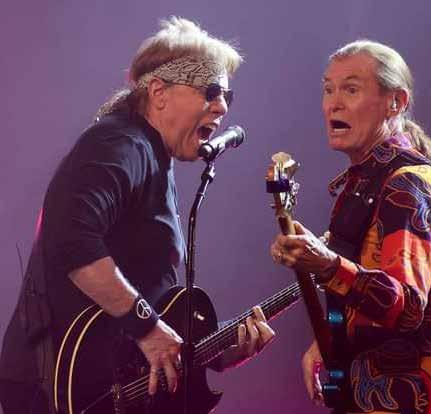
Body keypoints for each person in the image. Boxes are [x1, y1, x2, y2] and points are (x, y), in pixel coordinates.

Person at [0, 17, 274, 414]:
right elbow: (72, 240)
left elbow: (153, 311)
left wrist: (218, 352)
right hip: (58, 388)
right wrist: (148, 327)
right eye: (211, 91)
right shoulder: (121, 143)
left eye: (227, 96)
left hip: (98, 385)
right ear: (159, 93)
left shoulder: (152, 158)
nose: (222, 106)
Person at [270, 40, 431, 413]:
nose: (333, 104)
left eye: (351, 90)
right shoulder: (368, 181)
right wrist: (332, 339)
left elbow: (407, 307)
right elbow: (369, 294)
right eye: (328, 89)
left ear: (395, 102)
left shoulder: (407, 185)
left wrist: (328, 265)